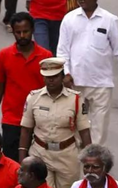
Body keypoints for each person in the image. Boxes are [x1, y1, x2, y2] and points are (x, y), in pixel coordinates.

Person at [57, 0, 118, 147]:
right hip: (76, 83)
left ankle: (96, 158)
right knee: (76, 126)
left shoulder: (109, 20)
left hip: (101, 84)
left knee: (99, 127)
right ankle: (79, 157)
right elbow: (62, 51)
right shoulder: (69, 19)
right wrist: (66, 73)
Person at [0, 11, 52, 161]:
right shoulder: (4, 55)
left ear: (33, 30)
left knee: (38, 165)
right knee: (12, 164)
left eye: (26, 31)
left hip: (39, 121)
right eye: (18, 32)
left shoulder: (46, 56)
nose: (22, 35)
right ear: (13, 31)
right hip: (12, 121)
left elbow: (51, 90)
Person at [19, 57, 91, 188]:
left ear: (62, 76)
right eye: (47, 77)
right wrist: (22, 158)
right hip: (40, 154)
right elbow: (26, 130)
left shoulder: (75, 99)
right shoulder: (33, 98)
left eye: (55, 76)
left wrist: (89, 157)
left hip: (67, 156)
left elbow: (84, 130)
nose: (51, 80)